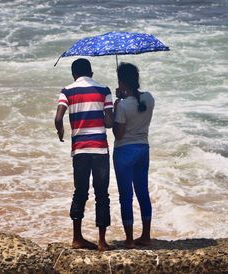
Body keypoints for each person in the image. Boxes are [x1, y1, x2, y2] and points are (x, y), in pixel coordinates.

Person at [54, 58, 113, 251]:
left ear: (74, 74)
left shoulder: (67, 91)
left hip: (80, 150)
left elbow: (58, 117)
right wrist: (116, 105)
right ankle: (102, 241)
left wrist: (60, 130)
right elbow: (109, 123)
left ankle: (77, 238)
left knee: (80, 192)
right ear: (91, 73)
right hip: (99, 149)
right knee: (102, 194)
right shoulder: (104, 90)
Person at [113, 62, 154, 249]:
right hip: (143, 149)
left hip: (124, 151)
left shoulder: (122, 106)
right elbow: (137, 105)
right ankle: (146, 235)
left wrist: (116, 106)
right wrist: (125, 97)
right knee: (142, 192)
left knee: (126, 196)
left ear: (121, 82)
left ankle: (129, 240)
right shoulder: (149, 98)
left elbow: (119, 134)